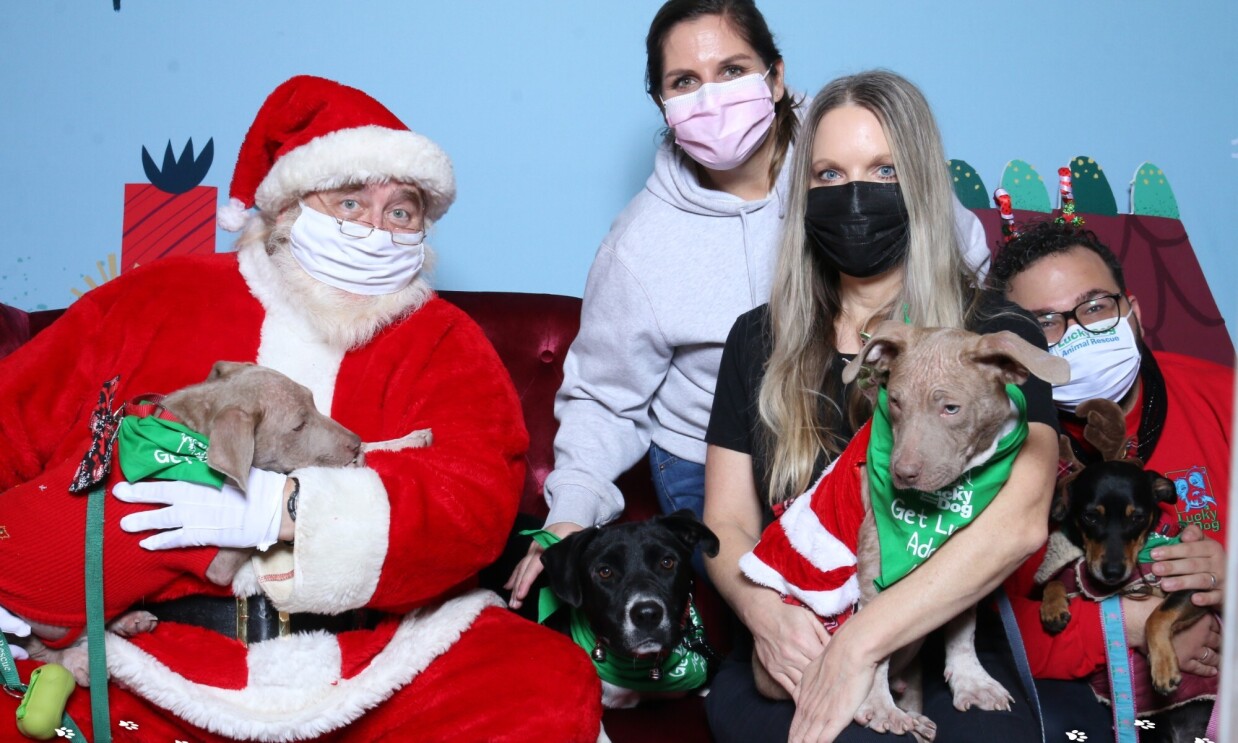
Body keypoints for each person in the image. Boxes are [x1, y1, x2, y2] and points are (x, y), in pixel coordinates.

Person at [0, 75, 602, 742]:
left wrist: (285, 510)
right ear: (286, 209)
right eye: (349, 201)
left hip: (378, 655)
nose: (375, 228)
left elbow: (479, 499)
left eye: (401, 211)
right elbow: (12, 419)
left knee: (545, 684)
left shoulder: (447, 340)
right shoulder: (155, 298)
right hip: (156, 652)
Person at [505, 0, 990, 609]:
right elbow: (604, 397)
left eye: (733, 70)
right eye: (685, 82)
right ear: (661, 103)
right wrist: (571, 513)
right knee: (795, 608)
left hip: (878, 426)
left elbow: (963, 260)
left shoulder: (855, 151)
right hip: (721, 459)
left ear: (776, 76)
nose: (711, 98)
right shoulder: (639, 247)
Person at [701, 69, 1074, 743]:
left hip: (948, 650)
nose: (854, 198)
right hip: (792, 637)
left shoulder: (995, 332)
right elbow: (725, 522)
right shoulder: (757, 338)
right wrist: (766, 617)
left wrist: (860, 644)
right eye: (829, 175)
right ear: (804, 192)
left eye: (882, 171)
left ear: (924, 184)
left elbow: (1022, 520)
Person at [988, 220, 1226, 729]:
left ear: (1133, 314)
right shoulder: (1000, 450)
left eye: (1095, 306)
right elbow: (996, 632)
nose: (1076, 333)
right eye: (1046, 322)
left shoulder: (1225, 397)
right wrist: (1129, 625)